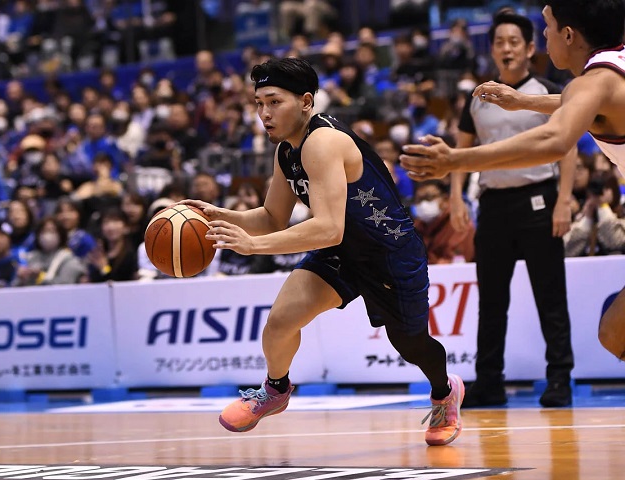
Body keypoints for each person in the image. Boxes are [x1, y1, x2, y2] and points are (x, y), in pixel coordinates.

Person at [181, 57, 464, 446]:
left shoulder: (323, 142)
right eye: (259, 103)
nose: (264, 113)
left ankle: (445, 392)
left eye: (274, 101)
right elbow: (272, 216)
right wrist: (220, 214)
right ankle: (275, 389)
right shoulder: (286, 151)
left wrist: (253, 246)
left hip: (389, 253)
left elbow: (328, 227)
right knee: (280, 321)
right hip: (343, 252)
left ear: (305, 102)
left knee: (410, 344)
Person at [399, 0, 625, 361]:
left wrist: (456, 160)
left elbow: (554, 139)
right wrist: (524, 101)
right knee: (615, 333)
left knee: (615, 334)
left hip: (534, 201)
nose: (545, 34)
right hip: (501, 207)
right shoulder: (612, 69)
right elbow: (582, 102)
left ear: (569, 35)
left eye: (548, 26)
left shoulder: (592, 83)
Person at [446, 11, 576, 408]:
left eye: (514, 42)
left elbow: (568, 148)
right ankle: (490, 382)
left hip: (539, 200)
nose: (507, 48)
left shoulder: (548, 92)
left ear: (530, 48)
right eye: (500, 42)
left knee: (550, 297)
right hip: (493, 204)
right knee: (491, 302)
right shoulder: (478, 97)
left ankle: (559, 379)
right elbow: (460, 150)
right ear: (492, 50)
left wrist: (564, 200)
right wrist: (456, 196)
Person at [412, 180, 475, 265]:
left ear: (445, 199)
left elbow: (456, 261)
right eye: (419, 200)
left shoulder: (459, 224)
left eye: (429, 198)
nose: (423, 204)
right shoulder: (417, 227)